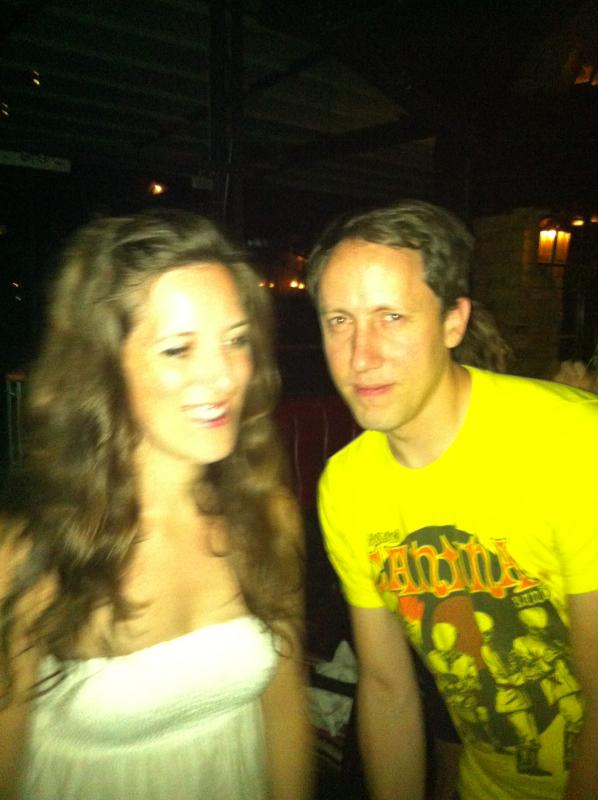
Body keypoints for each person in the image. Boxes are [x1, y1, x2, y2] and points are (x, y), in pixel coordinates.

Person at [0, 210, 313, 800]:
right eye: (178, 349)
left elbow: (287, 712)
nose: (223, 376)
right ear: (103, 367)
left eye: (236, 340)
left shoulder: (267, 516)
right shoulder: (33, 551)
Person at [306, 200, 598, 800]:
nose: (361, 356)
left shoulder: (574, 444)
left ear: (453, 322)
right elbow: (387, 688)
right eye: (339, 321)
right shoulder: (348, 484)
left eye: (391, 317)